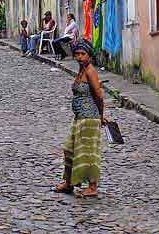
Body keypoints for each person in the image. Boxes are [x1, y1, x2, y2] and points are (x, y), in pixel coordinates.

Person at [54, 39, 106, 198]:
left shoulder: (90, 71)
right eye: (77, 54)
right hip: (79, 118)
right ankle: (69, 183)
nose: (79, 57)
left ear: (89, 55)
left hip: (89, 118)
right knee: (69, 149)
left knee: (88, 153)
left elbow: (99, 96)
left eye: (82, 54)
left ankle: (92, 186)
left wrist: (101, 116)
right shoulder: (81, 70)